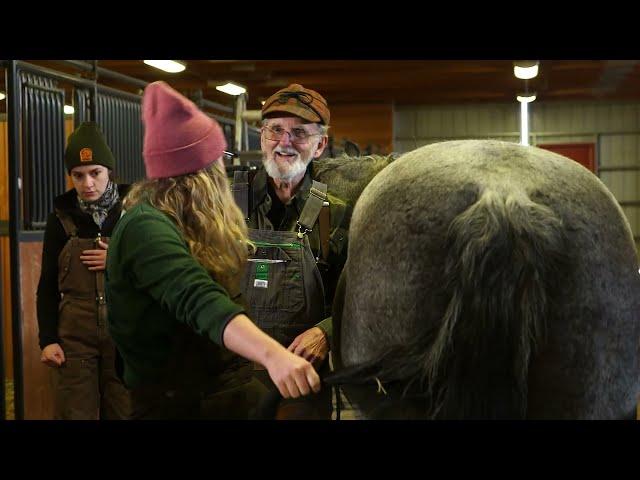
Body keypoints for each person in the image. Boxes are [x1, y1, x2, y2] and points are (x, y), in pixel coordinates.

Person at [105, 81, 320, 420]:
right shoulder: (145, 227)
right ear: (201, 176)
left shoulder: (184, 224)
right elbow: (201, 300)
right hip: (179, 405)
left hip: (217, 391)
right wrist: (274, 356)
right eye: (219, 160)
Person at [232, 83, 351, 419]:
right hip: (230, 375)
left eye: (299, 133)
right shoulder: (223, 205)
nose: (285, 142)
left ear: (320, 145)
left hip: (300, 377)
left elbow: (355, 295)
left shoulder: (335, 213)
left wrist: (326, 331)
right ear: (261, 136)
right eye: (276, 130)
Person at [36, 121, 131, 419]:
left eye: (95, 173)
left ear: (109, 172)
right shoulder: (60, 220)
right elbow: (48, 283)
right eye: (78, 175)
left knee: (126, 410)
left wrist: (117, 259)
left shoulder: (136, 211)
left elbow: (158, 270)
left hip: (126, 334)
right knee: (77, 411)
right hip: (75, 338)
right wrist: (48, 338)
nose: (87, 183)